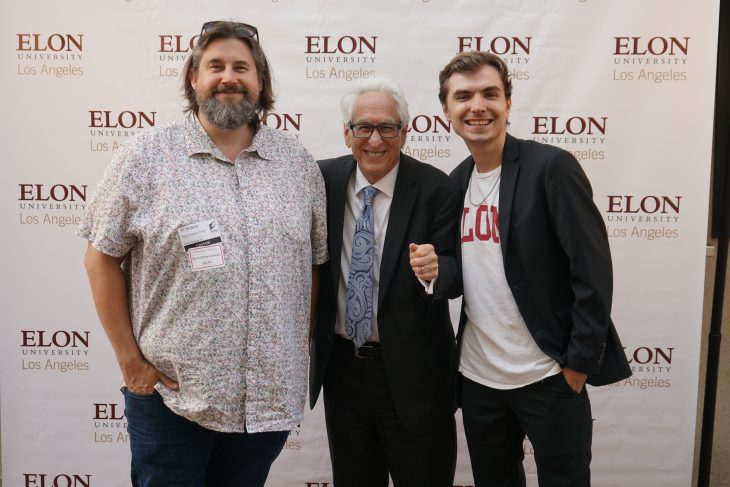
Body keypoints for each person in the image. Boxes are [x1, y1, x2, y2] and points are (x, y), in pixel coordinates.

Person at [79, 20, 328, 487]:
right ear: (194, 78)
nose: (228, 77)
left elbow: (312, 268)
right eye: (215, 66)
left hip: (265, 405)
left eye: (242, 67)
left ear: (261, 82)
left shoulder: (297, 164)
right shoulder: (144, 157)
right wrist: (132, 364)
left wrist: (292, 351)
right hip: (174, 399)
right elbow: (100, 260)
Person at [438, 51, 632, 487]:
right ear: (447, 110)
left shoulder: (551, 167)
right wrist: (432, 271)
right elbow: (456, 280)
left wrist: (577, 367)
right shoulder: (453, 185)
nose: (478, 106)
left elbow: (592, 271)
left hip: (549, 376)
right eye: (463, 96)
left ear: (508, 103)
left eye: (490, 93)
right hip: (479, 380)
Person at [308, 77, 462, 487]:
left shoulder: (438, 189)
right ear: (347, 133)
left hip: (417, 378)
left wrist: (437, 271)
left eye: (387, 128)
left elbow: (459, 270)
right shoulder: (320, 182)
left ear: (405, 134)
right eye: (364, 127)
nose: (375, 140)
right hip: (343, 372)